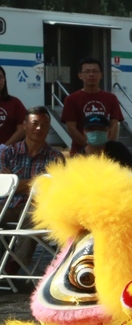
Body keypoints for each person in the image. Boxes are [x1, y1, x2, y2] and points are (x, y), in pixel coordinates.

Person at [0, 107, 64, 271]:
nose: (39, 128)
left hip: (36, 206)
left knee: (35, 217)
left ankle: (16, 265)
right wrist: (35, 184)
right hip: (6, 204)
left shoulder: (55, 157)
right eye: (34, 123)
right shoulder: (9, 153)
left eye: (44, 125)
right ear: (24, 125)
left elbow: (51, 189)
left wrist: (14, 183)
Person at [62, 57, 123, 155]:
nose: (91, 74)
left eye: (95, 71)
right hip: (79, 152)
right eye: (87, 71)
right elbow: (71, 128)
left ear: (101, 75)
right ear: (80, 75)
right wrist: (88, 147)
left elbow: (114, 124)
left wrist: (106, 147)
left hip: (105, 153)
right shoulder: (71, 99)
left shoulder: (111, 98)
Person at [0, 64, 28, 146]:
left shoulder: (14, 103)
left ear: (4, 80)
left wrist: (4, 147)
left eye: (0, 77)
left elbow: (23, 128)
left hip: (9, 154)